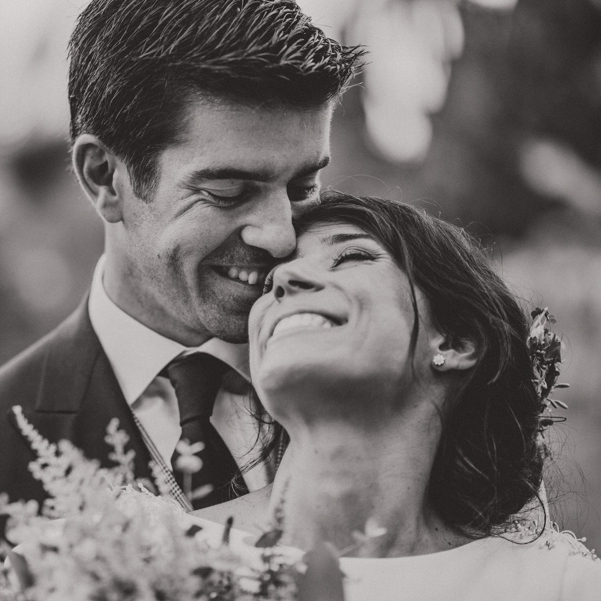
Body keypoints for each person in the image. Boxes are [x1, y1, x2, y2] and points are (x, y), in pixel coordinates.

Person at [0, 1, 362, 598]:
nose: (281, 234)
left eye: (303, 186)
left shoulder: (379, 374)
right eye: (227, 190)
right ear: (103, 177)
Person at [194, 191, 601, 600]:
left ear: (456, 341)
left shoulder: (558, 588)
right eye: (269, 282)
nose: (281, 280)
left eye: (351, 257)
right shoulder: (148, 547)